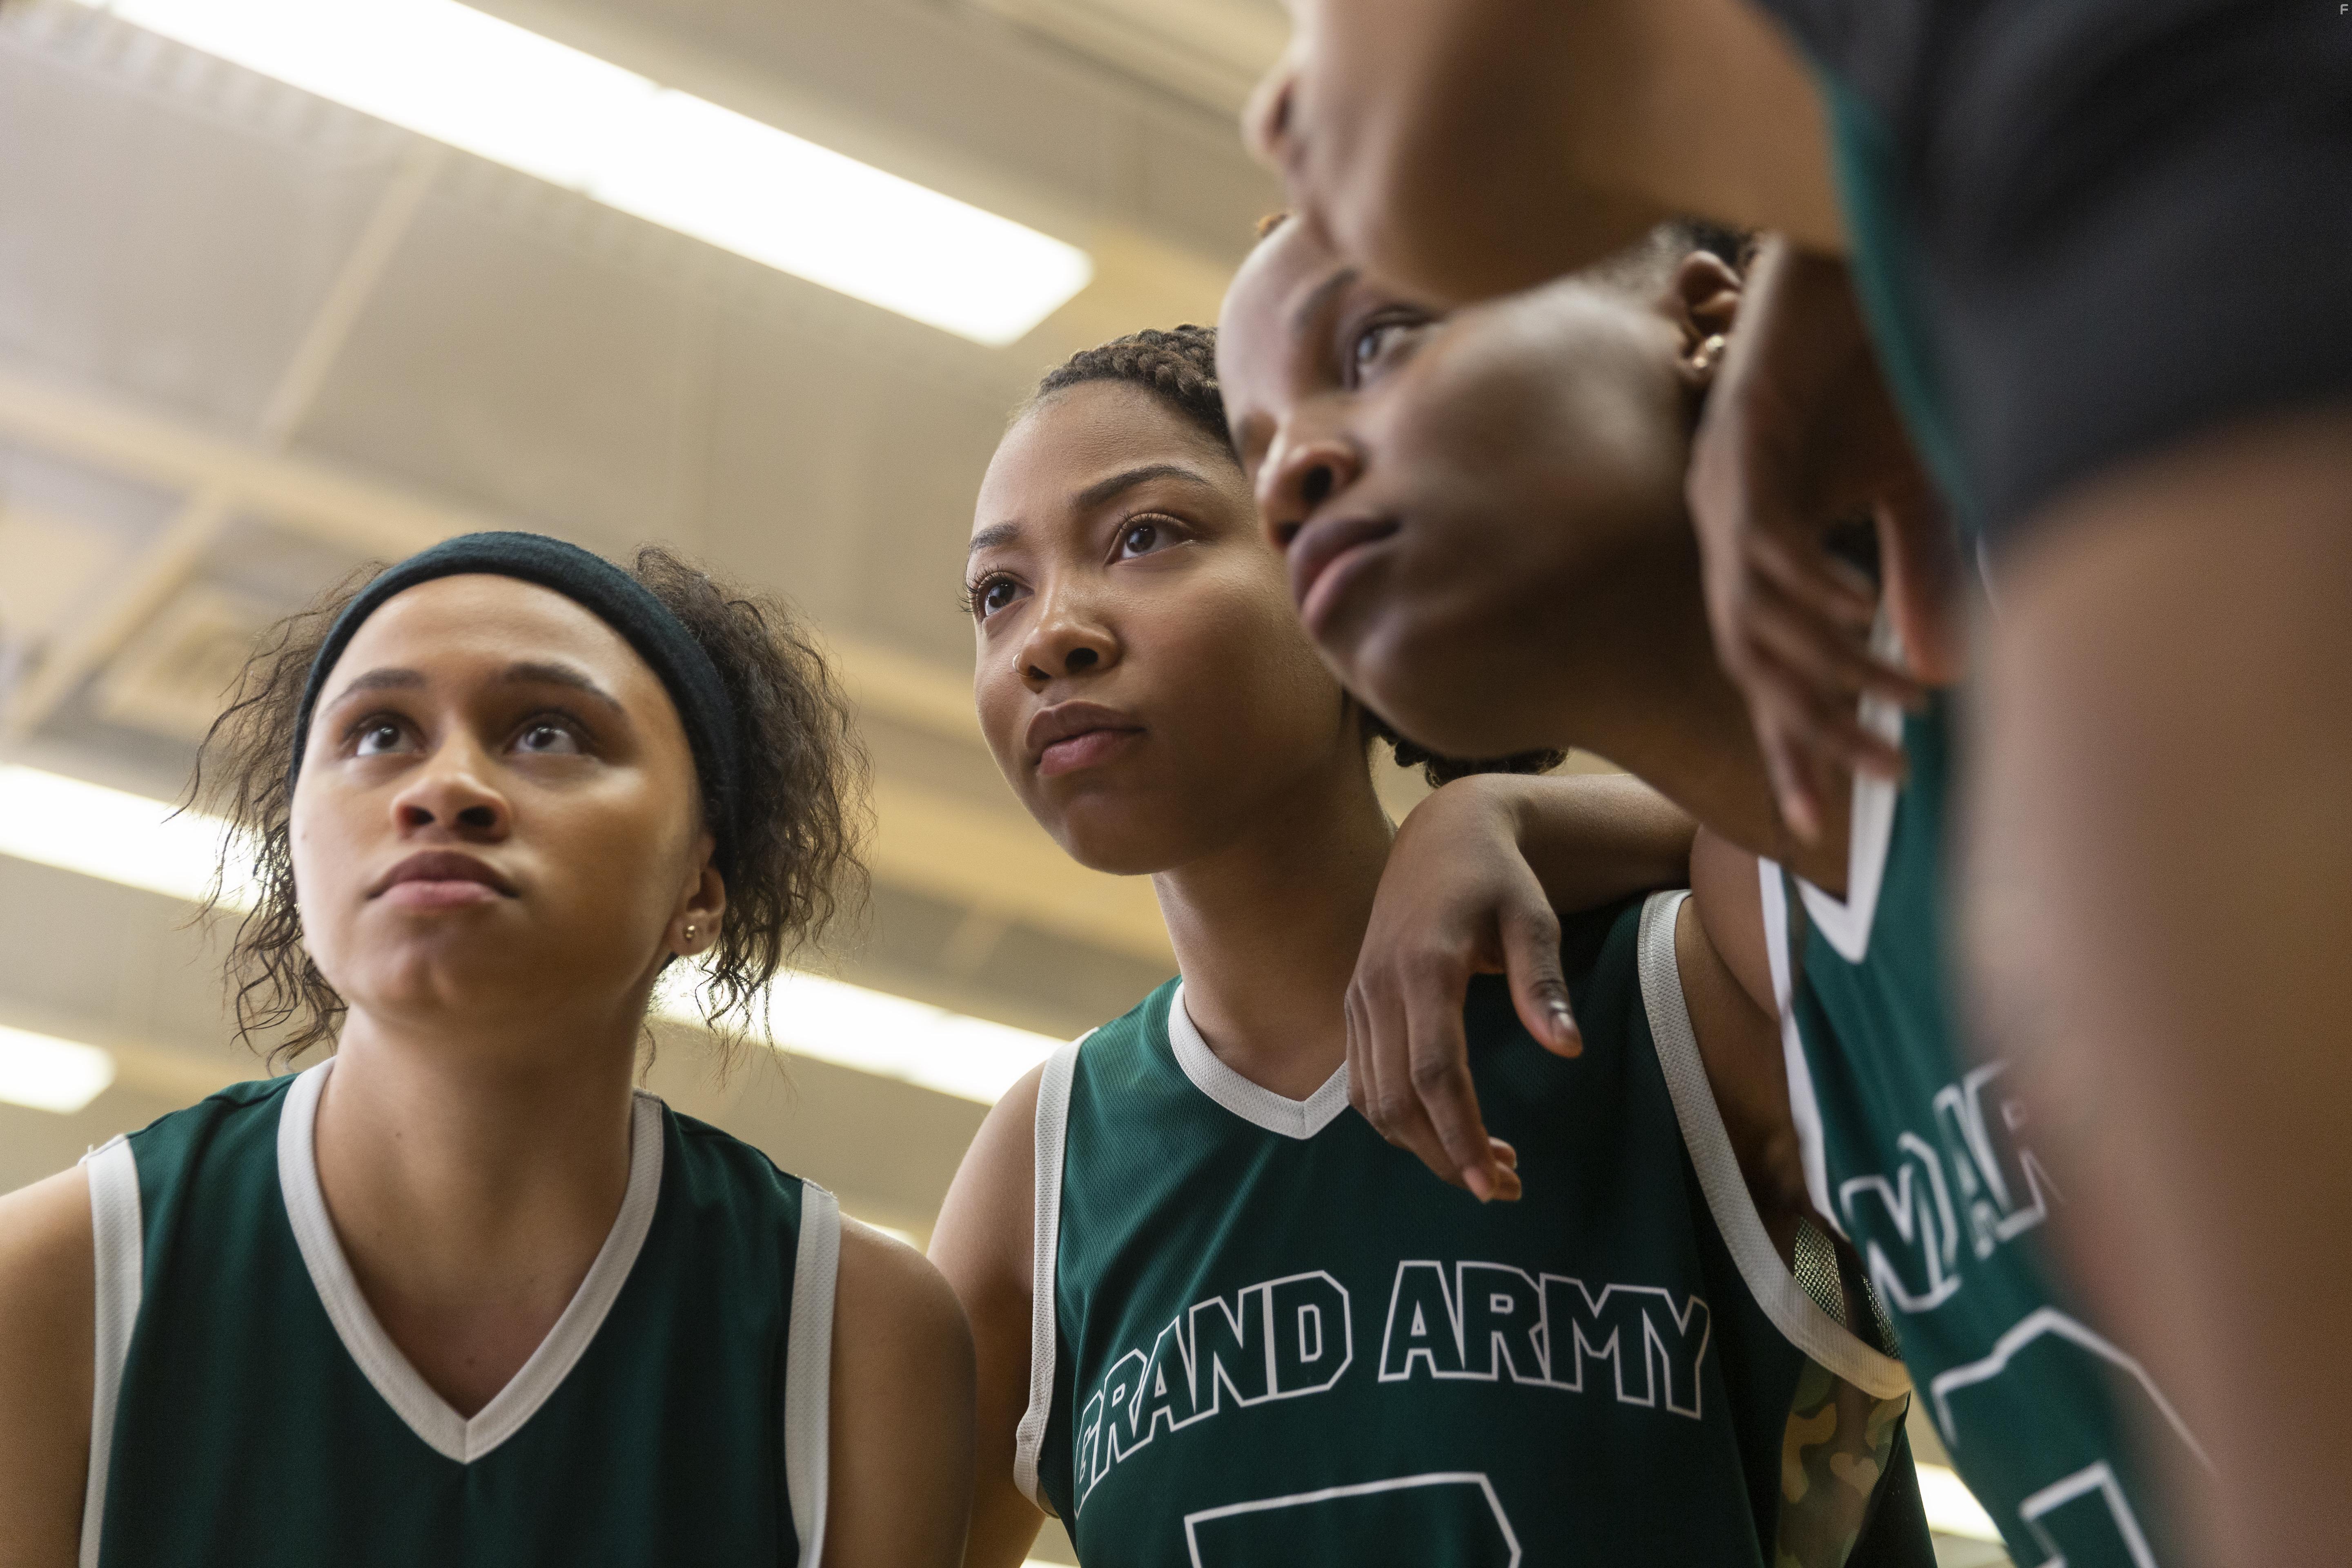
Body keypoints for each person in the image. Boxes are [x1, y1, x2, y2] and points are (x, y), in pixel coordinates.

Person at [1245, 7, 2352, 1557]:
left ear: (1702, 315)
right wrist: (1490, 808)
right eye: (1253, 452)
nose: (1290, 470)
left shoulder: (2100, 389)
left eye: (1376, 344)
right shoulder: (1761, 925)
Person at [928, 326, 1929, 1568]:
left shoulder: (1674, 995)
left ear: (1342, 574)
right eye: (996, 593)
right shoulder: (1045, 1167)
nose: (1049, 635)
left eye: (1146, 536)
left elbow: (1891, 817)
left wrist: (1507, 809)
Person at [0, 533, 974, 1568]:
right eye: (380, 735)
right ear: (294, 843)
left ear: (701, 881)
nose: (445, 788)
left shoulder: (858, 1334)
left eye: (548, 732)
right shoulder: (52, 1286)